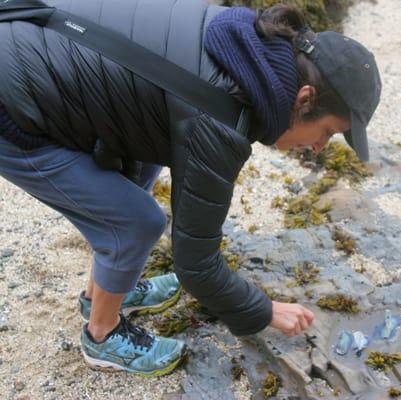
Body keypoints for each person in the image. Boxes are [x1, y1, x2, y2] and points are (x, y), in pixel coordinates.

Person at [0, 0, 381, 377]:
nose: (319, 148)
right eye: (328, 132)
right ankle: (102, 335)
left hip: (34, 38)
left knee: (143, 169)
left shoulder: (249, 44)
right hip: (12, 102)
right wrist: (265, 311)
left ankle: (103, 293)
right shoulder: (222, 113)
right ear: (305, 99)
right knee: (136, 223)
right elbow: (196, 264)